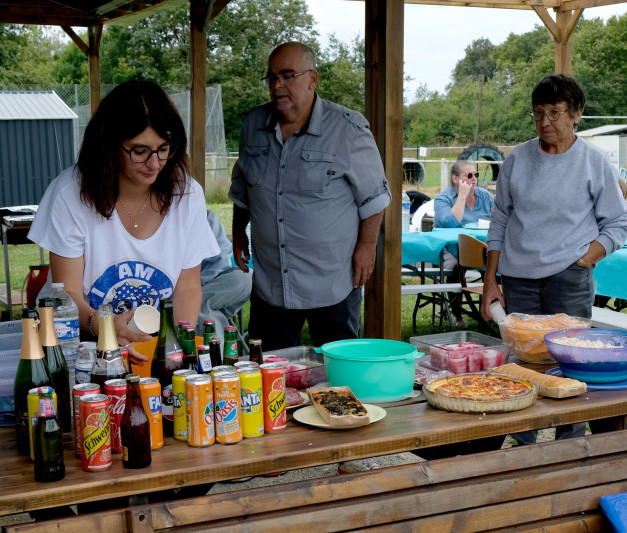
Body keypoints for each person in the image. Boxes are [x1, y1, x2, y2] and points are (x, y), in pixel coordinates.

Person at [481, 73, 627, 444]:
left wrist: (584, 260)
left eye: (554, 112)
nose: (545, 122)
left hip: (569, 277)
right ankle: (525, 444)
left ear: (576, 114)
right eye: (538, 113)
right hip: (518, 278)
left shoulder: (594, 161)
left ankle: (570, 446)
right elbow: (499, 221)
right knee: (523, 364)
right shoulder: (517, 158)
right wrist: (490, 280)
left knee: (572, 362)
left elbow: (618, 222)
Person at [28, 80, 220, 364]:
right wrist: (105, 327)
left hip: (151, 344)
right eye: (139, 151)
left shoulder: (187, 194)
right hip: (78, 345)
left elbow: (188, 286)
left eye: (164, 148)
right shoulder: (70, 194)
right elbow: (66, 293)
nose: (154, 163)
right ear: (108, 145)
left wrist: (174, 346)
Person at [229, 42, 391, 351]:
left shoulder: (348, 129)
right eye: (272, 77)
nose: (277, 85)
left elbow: (374, 197)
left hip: (332, 281)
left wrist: (367, 247)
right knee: (268, 369)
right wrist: (239, 233)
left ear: (312, 79)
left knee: (340, 370)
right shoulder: (252, 125)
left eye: (288, 75)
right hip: (271, 283)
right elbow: (242, 188)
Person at [433, 160, 495, 328]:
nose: (474, 178)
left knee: (499, 263)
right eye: (469, 175)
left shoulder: (485, 196)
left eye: (475, 174)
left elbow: (500, 218)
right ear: (455, 179)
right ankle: (457, 314)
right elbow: (450, 224)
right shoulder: (443, 199)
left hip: (484, 249)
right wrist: (461, 196)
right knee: (456, 267)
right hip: (453, 250)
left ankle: (493, 310)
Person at [198, 210, 252, 339]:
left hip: (207, 286)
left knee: (247, 276)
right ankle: (216, 354)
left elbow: (219, 261)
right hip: (166, 295)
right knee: (206, 312)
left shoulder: (204, 216)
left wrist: (195, 290)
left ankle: (194, 305)